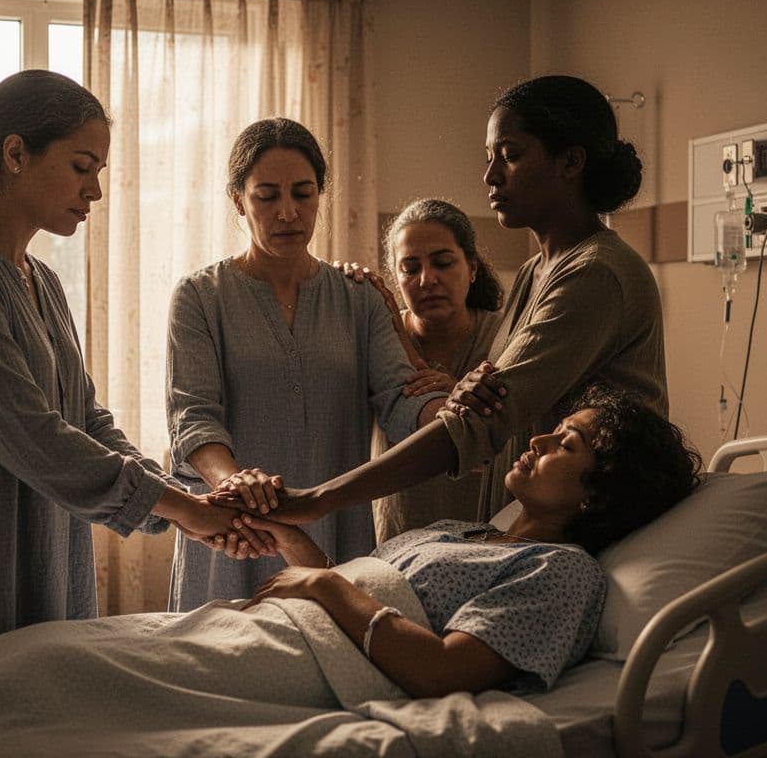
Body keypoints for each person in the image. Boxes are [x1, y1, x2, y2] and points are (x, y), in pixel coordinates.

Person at [0, 71, 262, 646]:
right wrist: (183, 508)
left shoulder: (43, 281)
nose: (95, 192)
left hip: (44, 546)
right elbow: (33, 436)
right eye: (82, 167)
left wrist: (186, 505)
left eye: (98, 173)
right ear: (15, 154)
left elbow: (87, 419)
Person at [259, 74, 668, 526]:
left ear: (570, 161)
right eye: (490, 157)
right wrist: (458, 391)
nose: (490, 175)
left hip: (592, 519)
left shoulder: (597, 273)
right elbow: (486, 399)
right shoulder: (537, 271)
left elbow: (487, 416)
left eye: (510, 156)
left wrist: (319, 500)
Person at [235, 386, 702, 696]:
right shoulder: (464, 531)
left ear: (598, 494)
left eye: (567, 444)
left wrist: (322, 587)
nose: (538, 440)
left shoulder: (562, 572)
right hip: (284, 630)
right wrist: (287, 537)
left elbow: (441, 671)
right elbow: (359, 590)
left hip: (307, 666)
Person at [165, 118, 449, 611]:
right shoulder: (199, 297)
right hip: (235, 537)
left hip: (335, 543)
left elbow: (403, 399)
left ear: (321, 196)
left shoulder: (359, 299)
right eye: (267, 196)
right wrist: (234, 484)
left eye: (303, 193)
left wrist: (452, 413)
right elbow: (192, 417)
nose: (288, 213)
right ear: (238, 201)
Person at [363, 198, 505, 542]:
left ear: (472, 268)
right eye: (410, 268)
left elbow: (512, 443)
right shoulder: (380, 340)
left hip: (486, 540)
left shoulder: (505, 338)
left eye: (443, 263)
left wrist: (457, 391)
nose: (428, 280)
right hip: (399, 541)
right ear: (395, 279)